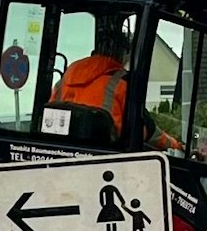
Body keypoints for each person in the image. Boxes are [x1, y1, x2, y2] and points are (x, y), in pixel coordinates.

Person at [49, 17, 182, 151]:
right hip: (107, 157)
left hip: (58, 151)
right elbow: (145, 131)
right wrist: (176, 146)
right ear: (122, 54)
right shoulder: (122, 83)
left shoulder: (65, 79)